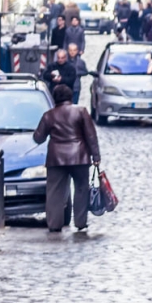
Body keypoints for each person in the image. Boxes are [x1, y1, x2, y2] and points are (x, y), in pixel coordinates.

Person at [32, 84, 101, 233]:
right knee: (81, 189)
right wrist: (96, 156)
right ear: (70, 96)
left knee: (54, 192)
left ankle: (54, 224)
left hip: (56, 159)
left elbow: (38, 138)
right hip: (79, 157)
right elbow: (91, 135)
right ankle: (80, 222)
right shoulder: (81, 111)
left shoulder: (49, 115)